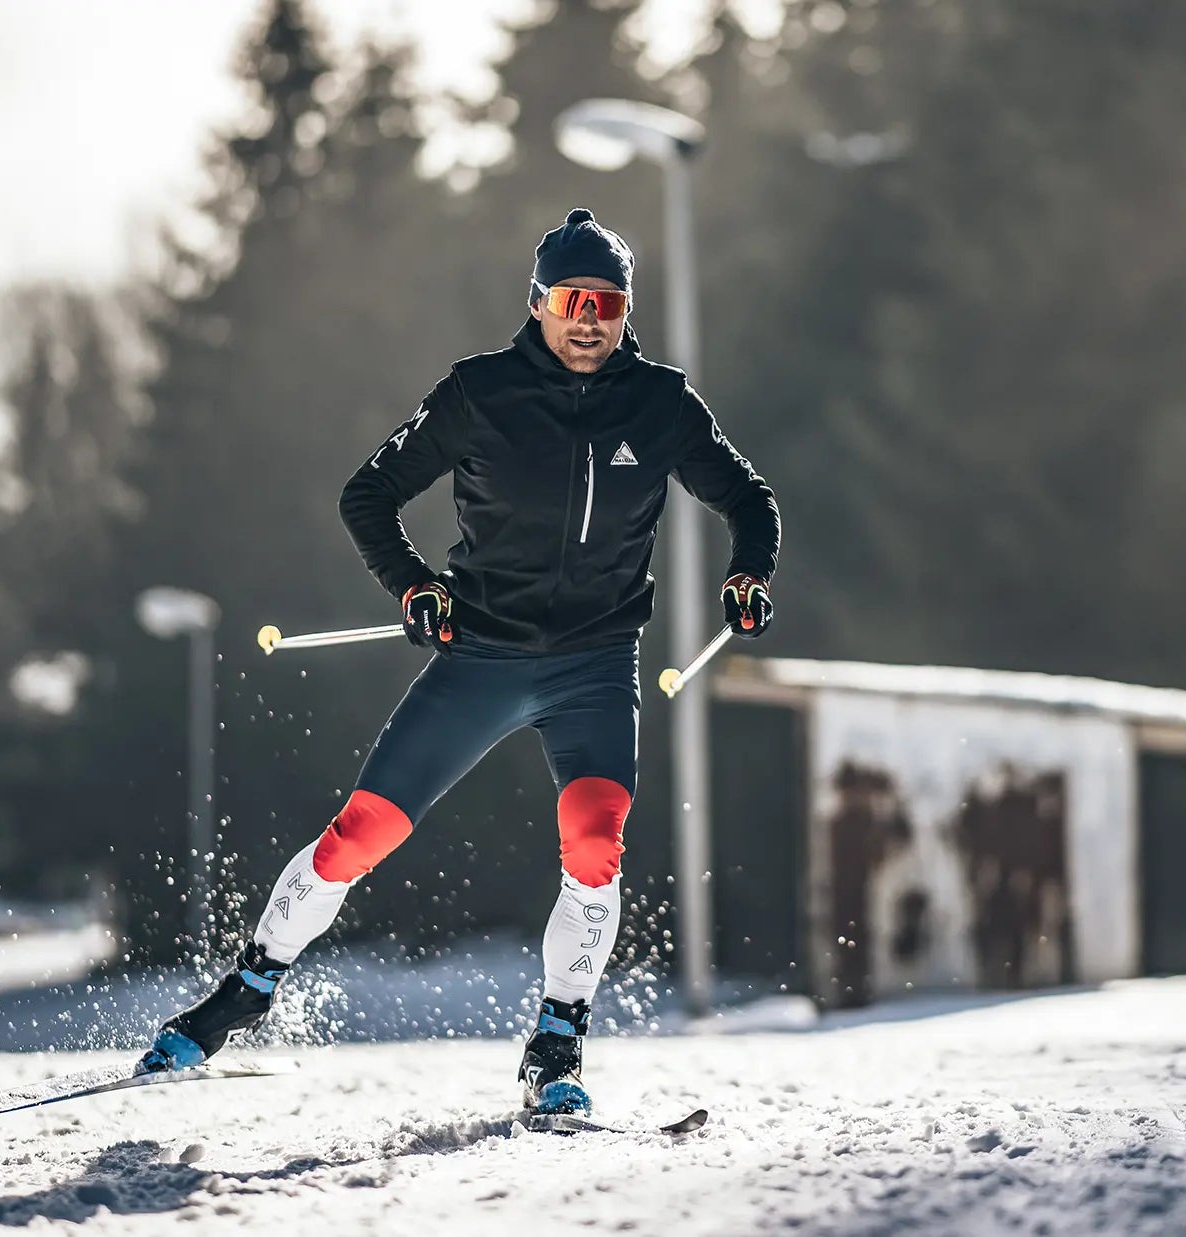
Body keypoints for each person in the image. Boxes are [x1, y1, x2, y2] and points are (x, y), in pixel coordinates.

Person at [137, 207, 781, 1115]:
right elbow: (368, 496)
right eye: (572, 300)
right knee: (362, 832)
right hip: (482, 654)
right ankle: (247, 987)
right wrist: (412, 587)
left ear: (626, 309)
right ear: (538, 303)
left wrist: (749, 570)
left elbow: (749, 499)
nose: (590, 318)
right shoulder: (480, 393)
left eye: (608, 301)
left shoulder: (663, 403)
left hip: (594, 664)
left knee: (595, 845)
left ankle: (559, 1044)